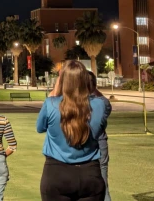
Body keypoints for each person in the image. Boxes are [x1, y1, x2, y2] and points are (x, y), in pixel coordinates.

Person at [37, 60, 107, 201]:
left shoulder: (50, 103)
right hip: (90, 173)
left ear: (62, 80)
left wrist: (56, 89)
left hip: (56, 174)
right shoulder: (100, 105)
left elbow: (40, 128)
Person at [89, 71, 112, 201]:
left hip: (85, 146)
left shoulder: (77, 103)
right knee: (103, 182)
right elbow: (106, 105)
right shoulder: (102, 103)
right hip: (100, 143)